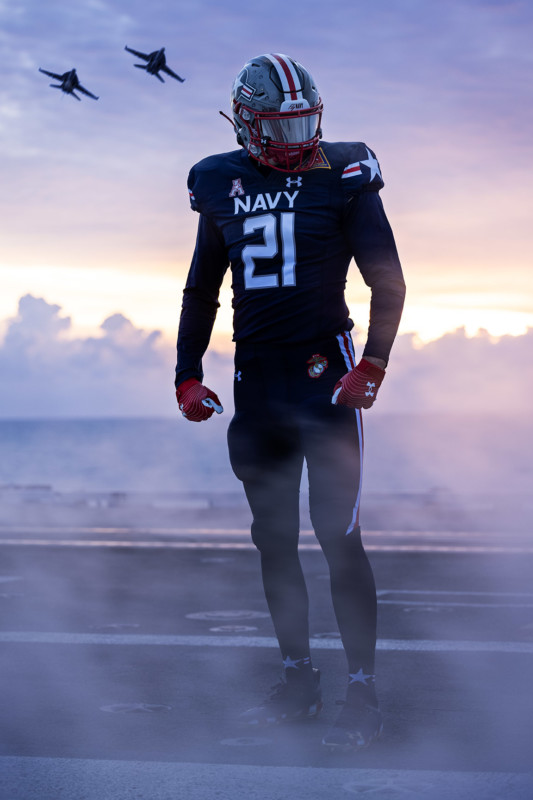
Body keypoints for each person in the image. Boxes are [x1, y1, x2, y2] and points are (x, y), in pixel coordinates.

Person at [175, 53, 405, 751]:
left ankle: (362, 692)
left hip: (324, 380)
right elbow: (201, 288)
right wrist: (187, 371)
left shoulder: (347, 172)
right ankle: (298, 678)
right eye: (280, 124)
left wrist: (373, 361)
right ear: (245, 123)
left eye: (305, 120)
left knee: (339, 539)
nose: (296, 136)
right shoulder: (217, 180)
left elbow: (387, 280)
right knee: (273, 541)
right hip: (257, 385)